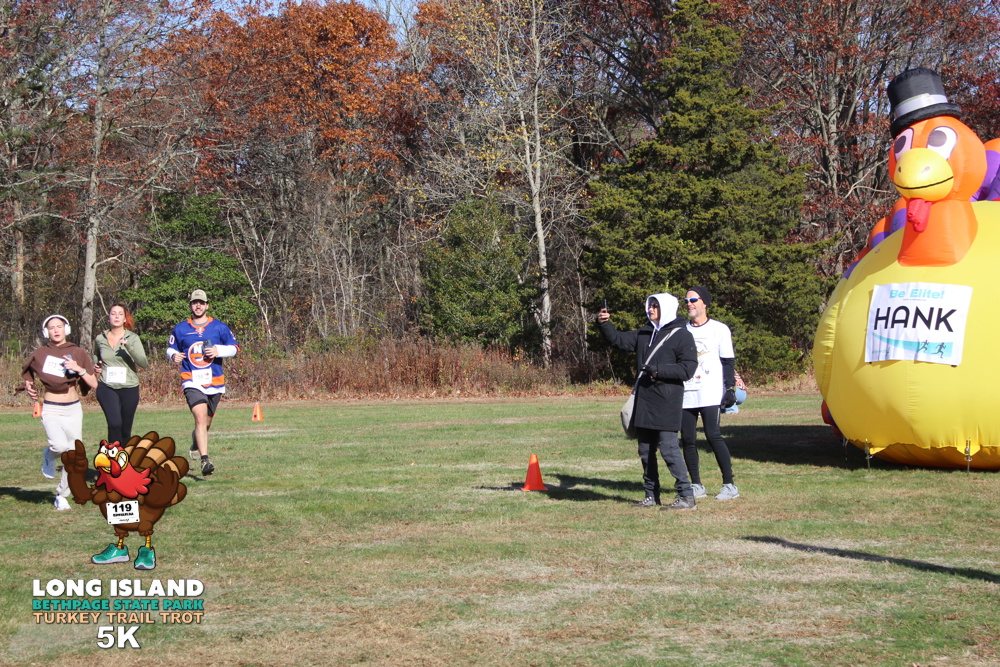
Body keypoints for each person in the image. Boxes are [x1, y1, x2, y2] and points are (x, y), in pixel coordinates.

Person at [598, 293, 699, 510]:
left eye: (655, 306)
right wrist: (605, 324)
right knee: (645, 450)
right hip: (644, 401)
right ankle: (651, 495)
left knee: (669, 449)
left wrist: (658, 370)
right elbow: (618, 340)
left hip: (667, 401)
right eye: (650, 305)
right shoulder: (645, 333)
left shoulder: (682, 336)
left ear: (667, 308)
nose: (650, 309)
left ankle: (686, 496)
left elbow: (688, 369)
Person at [22, 314, 98, 510]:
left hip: (73, 409)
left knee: (73, 453)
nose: (56, 330)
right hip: (51, 408)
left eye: (59, 326)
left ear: (66, 329)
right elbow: (27, 373)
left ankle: (62, 495)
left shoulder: (77, 352)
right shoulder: (40, 354)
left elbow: (93, 383)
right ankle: (49, 454)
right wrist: (28, 385)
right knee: (59, 446)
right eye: (52, 327)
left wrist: (79, 369)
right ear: (46, 332)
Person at [166, 289, 240, 476]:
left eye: (201, 303)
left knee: (206, 422)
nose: (198, 306)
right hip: (191, 380)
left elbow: (234, 348)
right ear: (190, 306)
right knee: (199, 417)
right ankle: (205, 460)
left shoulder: (219, 327)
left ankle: (196, 441)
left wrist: (218, 351)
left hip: (214, 381)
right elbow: (170, 348)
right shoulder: (181, 328)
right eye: (194, 303)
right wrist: (173, 355)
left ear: (207, 305)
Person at [680, 286, 740, 501]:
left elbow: (728, 361)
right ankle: (696, 485)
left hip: (710, 391)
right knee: (688, 438)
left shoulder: (719, 329)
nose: (689, 304)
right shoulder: (681, 330)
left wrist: (730, 388)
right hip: (686, 391)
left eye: (693, 300)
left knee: (713, 435)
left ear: (704, 302)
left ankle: (729, 485)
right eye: (686, 301)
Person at [93, 302, 148, 447]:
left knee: (125, 429)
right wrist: (96, 365)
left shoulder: (133, 338)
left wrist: (128, 346)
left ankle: (124, 458)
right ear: (108, 318)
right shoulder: (100, 338)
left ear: (124, 319)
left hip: (129, 387)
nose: (116, 316)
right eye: (113, 314)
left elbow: (143, 363)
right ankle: (113, 456)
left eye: (120, 314)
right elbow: (96, 356)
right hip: (107, 386)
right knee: (114, 423)